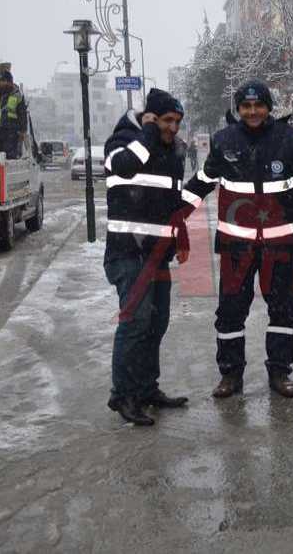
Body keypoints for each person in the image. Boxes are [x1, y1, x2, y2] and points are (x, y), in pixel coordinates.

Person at [181, 80, 293, 399]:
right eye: (245, 106)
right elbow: (203, 181)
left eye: (258, 105)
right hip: (236, 246)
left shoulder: (291, 139)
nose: (252, 112)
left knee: (283, 311)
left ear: (269, 107)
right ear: (238, 109)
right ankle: (230, 375)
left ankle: (280, 372)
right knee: (230, 312)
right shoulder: (223, 140)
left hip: (280, 244)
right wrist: (176, 213)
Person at [103, 88, 191, 426]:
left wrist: (180, 237)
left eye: (177, 122)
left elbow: (172, 202)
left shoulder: (171, 152)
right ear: (150, 117)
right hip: (127, 252)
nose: (173, 128)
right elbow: (124, 168)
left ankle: (146, 388)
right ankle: (122, 395)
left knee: (156, 323)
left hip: (158, 254)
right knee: (135, 322)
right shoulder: (121, 142)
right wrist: (149, 132)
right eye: (167, 120)